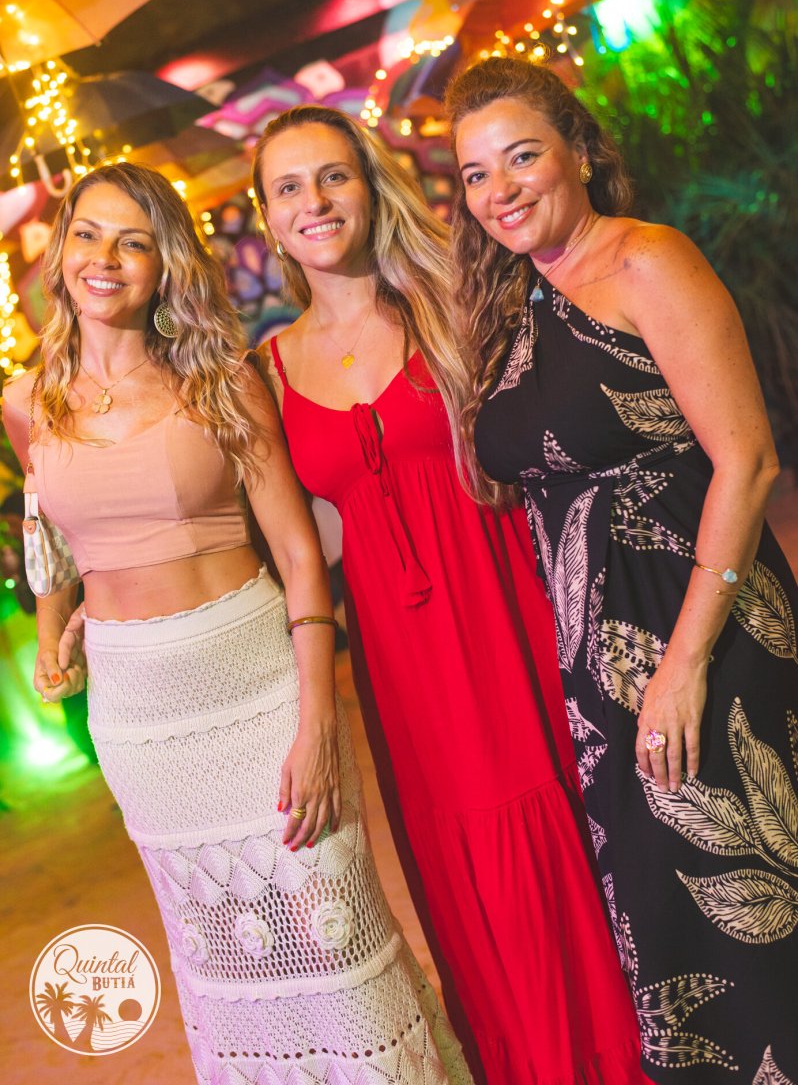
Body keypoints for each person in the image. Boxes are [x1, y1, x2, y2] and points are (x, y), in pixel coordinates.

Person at [2, 162, 473, 1085]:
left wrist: (319, 721)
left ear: (165, 266)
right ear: (60, 254)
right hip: (141, 721)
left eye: (133, 242)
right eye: (88, 235)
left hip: (255, 691)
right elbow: (51, 534)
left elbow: (300, 557)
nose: (105, 258)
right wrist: (61, 625)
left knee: (336, 940)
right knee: (222, 962)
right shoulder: (26, 404)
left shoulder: (220, 380)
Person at [251, 104, 645, 1085]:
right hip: (402, 666)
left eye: (333, 176)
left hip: (513, 614)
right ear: (266, 218)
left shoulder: (453, 301)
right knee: (467, 879)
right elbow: (286, 542)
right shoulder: (268, 371)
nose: (314, 202)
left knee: (574, 836)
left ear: (368, 184)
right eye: (289, 187)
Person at [446, 55, 798, 1083]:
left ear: (581, 151)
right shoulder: (513, 301)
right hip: (602, 671)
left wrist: (684, 664)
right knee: (670, 918)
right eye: (475, 174)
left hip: (705, 637)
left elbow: (748, 461)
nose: (500, 190)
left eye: (521, 157)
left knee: (752, 903)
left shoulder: (647, 261)